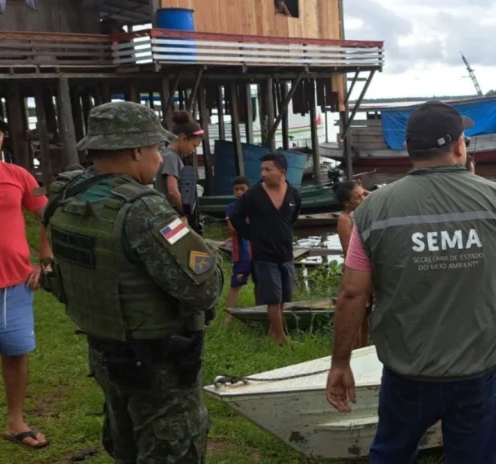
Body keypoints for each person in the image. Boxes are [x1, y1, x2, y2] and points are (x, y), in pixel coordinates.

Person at [324, 101, 496, 463]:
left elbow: (353, 293)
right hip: (478, 371)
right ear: (460, 145)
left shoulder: (372, 210)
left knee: (392, 454)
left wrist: (340, 363)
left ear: (408, 148)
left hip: (407, 371)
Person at [40, 100, 223, 463]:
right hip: (157, 363)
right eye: (156, 148)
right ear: (138, 150)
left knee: (127, 443)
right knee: (171, 445)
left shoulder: (69, 194)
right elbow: (204, 286)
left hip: (106, 350)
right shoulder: (144, 209)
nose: (159, 157)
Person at [0, 106, 52, 463]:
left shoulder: (18, 175)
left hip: (16, 284)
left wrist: (45, 258)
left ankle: (15, 422)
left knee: (15, 353)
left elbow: (47, 213)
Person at [229, 152, 302, 345]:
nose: (263, 173)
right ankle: (281, 338)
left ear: (282, 171)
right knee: (273, 298)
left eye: (268, 169)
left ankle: (272, 331)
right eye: (262, 169)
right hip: (264, 254)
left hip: (286, 253)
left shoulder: (293, 193)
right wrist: (252, 234)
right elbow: (236, 217)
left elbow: (293, 217)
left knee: (286, 296)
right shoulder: (253, 194)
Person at [334, 180, 370, 348]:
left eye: (363, 194)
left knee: (367, 314)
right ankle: (356, 351)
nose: (363, 199)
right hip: (357, 272)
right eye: (357, 197)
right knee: (358, 315)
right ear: (347, 203)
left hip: (370, 271)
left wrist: (365, 193)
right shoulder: (345, 219)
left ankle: (364, 347)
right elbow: (349, 252)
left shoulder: (365, 214)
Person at [153, 110, 203, 221]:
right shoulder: (171, 157)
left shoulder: (170, 155)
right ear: (183, 138)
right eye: (193, 145)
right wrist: (188, 214)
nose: (193, 150)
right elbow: (173, 191)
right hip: (172, 214)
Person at [224, 176, 253, 324]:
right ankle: (228, 317)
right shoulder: (231, 207)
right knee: (235, 284)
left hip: (258, 251)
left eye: (243, 189)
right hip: (241, 253)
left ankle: (261, 311)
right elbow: (232, 227)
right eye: (237, 189)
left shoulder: (256, 205)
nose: (240, 192)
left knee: (261, 283)